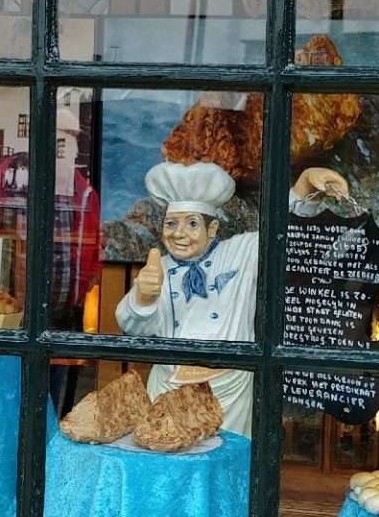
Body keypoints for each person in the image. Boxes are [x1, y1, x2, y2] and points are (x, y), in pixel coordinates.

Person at [115, 161, 348, 437]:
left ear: (212, 229)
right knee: (165, 455)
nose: (179, 233)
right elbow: (133, 327)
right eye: (171, 223)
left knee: (225, 459)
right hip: (167, 389)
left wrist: (305, 185)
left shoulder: (240, 253)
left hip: (228, 392)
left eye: (192, 223)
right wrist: (143, 298)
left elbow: (279, 230)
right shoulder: (159, 269)